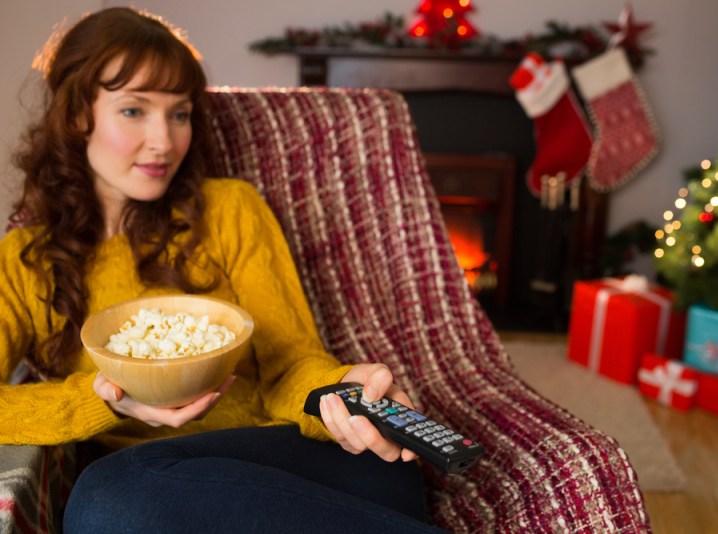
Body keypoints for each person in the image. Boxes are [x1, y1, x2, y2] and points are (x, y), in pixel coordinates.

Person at [0, 7, 442, 532]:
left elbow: (289, 366)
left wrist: (344, 387)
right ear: (77, 116)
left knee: (105, 501)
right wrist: (103, 400)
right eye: (134, 111)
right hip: (161, 492)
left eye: (180, 113)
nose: (164, 141)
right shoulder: (25, 260)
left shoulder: (230, 209)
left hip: (308, 465)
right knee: (111, 499)